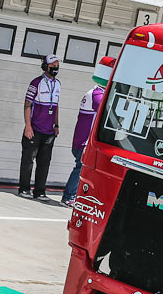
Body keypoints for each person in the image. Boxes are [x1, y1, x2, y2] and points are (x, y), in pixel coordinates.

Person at [19, 54, 60, 201]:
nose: (55, 68)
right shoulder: (36, 82)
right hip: (34, 129)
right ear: (45, 66)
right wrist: (28, 126)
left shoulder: (58, 84)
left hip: (49, 131)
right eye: (52, 65)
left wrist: (56, 124)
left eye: (57, 65)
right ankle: (24, 189)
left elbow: (56, 105)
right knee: (28, 161)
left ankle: (40, 191)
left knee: (44, 163)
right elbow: (27, 104)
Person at [61, 80, 105, 206]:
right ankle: (68, 196)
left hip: (83, 141)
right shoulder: (97, 94)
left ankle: (75, 196)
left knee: (84, 169)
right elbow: (105, 111)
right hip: (84, 142)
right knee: (80, 168)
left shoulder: (95, 92)